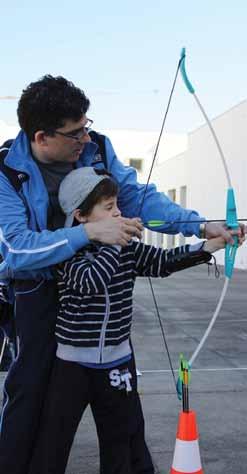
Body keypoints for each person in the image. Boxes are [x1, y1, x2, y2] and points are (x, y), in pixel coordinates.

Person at [0, 75, 242, 474]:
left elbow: (140, 203)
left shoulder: (97, 149)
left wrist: (202, 231)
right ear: (41, 137)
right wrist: (93, 234)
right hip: (37, 288)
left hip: (111, 349)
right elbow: (17, 249)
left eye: (86, 126)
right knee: (30, 393)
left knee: (124, 427)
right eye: (74, 133)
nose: (85, 138)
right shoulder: (8, 171)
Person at [29, 166, 227, 474]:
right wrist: (115, 242)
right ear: (81, 216)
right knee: (53, 443)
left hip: (117, 364)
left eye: (118, 205)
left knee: (120, 443)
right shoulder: (67, 250)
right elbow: (91, 280)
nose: (119, 213)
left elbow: (162, 262)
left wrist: (208, 247)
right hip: (71, 367)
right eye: (109, 208)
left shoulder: (125, 247)